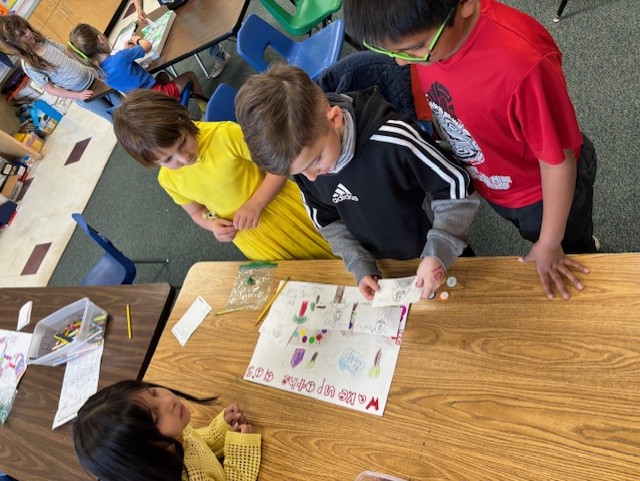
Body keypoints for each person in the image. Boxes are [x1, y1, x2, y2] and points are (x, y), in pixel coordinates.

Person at [343, 0, 598, 300]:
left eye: (416, 47)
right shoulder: (430, 43)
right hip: (499, 181)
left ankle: (585, 248)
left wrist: (550, 241)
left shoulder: (522, 65)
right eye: (392, 51)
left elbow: (558, 161)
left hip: (543, 192)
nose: (401, 63)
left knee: (571, 247)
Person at [235, 64, 480, 300]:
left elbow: (456, 188)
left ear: (334, 119)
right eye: (299, 173)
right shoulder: (306, 168)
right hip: (388, 269)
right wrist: (360, 264)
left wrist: (437, 252)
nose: (311, 176)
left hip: (443, 254)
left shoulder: (394, 140)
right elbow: (328, 222)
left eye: (315, 160)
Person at [112, 89, 336, 261]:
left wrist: (256, 204)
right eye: (167, 159)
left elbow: (280, 167)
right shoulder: (168, 180)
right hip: (252, 238)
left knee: (333, 251)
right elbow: (196, 212)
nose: (183, 158)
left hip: (285, 211)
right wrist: (213, 226)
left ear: (184, 119)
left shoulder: (225, 134)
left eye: (182, 143)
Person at [73, 380, 261, 481]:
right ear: (144, 458)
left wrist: (217, 432)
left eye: (152, 392)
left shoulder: (171, 437)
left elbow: (194, 443)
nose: (168, 401)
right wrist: (240, 454)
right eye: (155, 417)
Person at [0, 15, 121, 122]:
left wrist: (94, 66)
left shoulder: (44, 42)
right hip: (82, 94)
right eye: (21, 34)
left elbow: (70, 53)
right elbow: (51, 89)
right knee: (114, 117)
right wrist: (78, 96)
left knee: (124, 104)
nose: (27, 33)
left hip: (93, 78)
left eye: (25, 28)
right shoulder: (29, 65)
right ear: (14, 43)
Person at [67, 23, 206, 101]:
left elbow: (124, 71)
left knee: (162, 76)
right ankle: (205, 111)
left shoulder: (100, 74)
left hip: (144, 105)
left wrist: (126, 52)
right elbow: (147, 45)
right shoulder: (121, 57)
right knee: (190, 75)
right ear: (101, 39)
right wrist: (136, 40)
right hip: (160, 97)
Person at [133, 0, 230, 78]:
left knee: (200, 28)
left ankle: (221, 54)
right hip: (171, 4)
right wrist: (139, 9)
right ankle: (219, 53)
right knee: (192, 31)